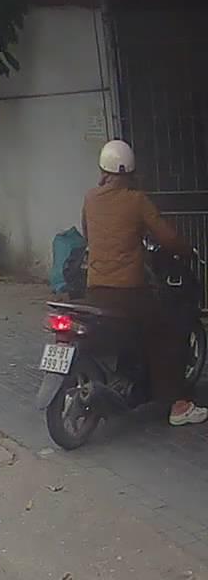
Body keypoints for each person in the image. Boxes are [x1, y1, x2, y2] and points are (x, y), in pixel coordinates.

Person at [82, 140, 206, 425]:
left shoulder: (90, 198)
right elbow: (167, 236)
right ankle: (179, 405)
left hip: (95, 290)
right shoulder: (136, 200)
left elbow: (89, 233)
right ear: (131, 173)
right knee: (168, 332)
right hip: (128, 292)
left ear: (102, 170)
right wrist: (187, 251)